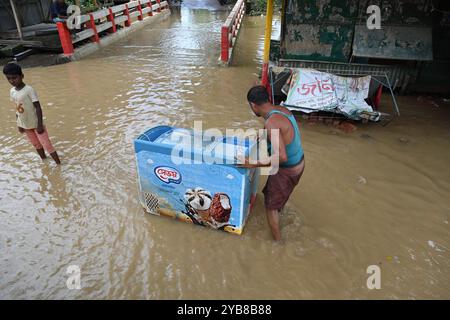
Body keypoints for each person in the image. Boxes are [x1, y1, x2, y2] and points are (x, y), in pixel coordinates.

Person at [241, 85, 305, 241]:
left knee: (270, 208)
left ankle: (278, 243)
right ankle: (280, 213)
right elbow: (283, 131)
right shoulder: (282, 111)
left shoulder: (271, 123)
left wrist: (253, 163)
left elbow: (281, 156)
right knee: (274, 198)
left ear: (253, 105)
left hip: (287, 169)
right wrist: (263, 134)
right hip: (300, 164)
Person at [3, 63, 61, 165]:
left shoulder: (29, 90)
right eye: (9, 79)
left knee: (47, 145)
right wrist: (18, 124)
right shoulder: (12, 91)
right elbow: (17, 107)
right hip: (25, 124)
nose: (12, 81)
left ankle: (59, 165)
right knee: (36, 144)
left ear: (22, 76)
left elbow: (38, 107)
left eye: (14, 78)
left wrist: (39, 125)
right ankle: (44, 161)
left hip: (36, 124)